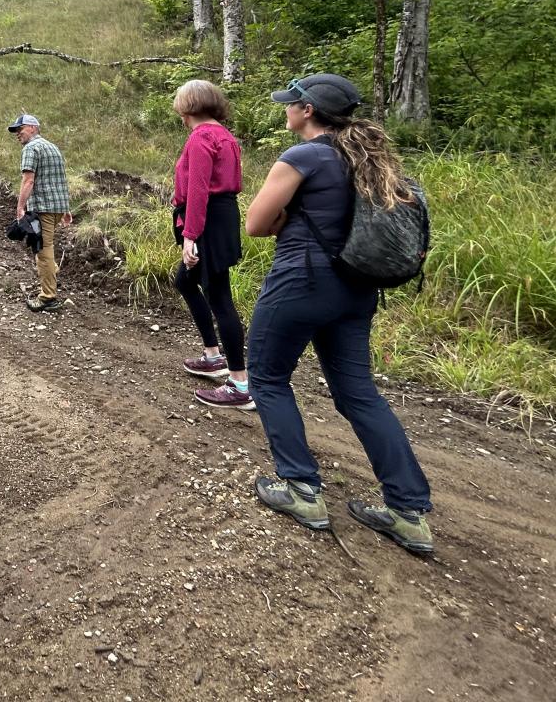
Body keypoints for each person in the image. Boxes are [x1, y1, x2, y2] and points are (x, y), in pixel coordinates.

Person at [244, 73, 434, 555]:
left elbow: (256, 225)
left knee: (267, 378)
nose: (286, 109)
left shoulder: (302, 156)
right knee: (358, 394)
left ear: (308, 111)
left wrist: (289, 217)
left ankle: (303, 490)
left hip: (301, 283)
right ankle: (408, 512)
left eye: (291, 103)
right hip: (357, 290)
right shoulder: (368, 159)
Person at [168, 81, 251, 410]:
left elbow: (199, 188)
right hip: (222, 216)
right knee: (185, 281)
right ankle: (213, 356)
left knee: (220, 298)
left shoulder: (202, 137)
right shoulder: (226, 136)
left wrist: (191, 235)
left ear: (187, 106)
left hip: (207, 220)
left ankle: (240, 383)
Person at [9, 113, 72, 312]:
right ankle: (50, 275)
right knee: (47, 249)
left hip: (43, 208)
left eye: (21, 129)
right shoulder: (53, 147)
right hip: (57, 207)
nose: (18, 134)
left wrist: (20, 207)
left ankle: (47, 298)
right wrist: (66, 209)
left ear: (33, 128)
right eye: (16, 131)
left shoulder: (31, 148)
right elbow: (59, 179)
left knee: (42, 252)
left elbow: (28, 180)